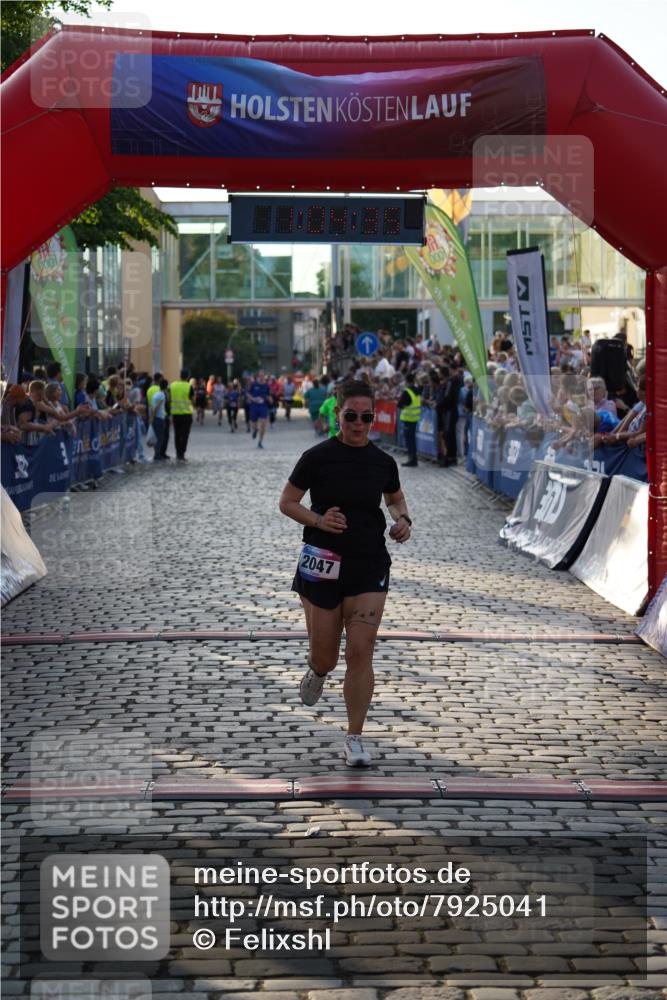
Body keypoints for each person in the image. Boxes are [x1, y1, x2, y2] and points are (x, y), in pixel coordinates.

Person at [278, 380, 412, 768]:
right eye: (351, 416)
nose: (358, 424)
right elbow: (287, 502)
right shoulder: (317, 457)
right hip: (322, 562)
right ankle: (317, 671)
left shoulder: (383, 462)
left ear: (374, 418)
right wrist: (319, 519)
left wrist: (403, 520)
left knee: (360, 651)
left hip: (369, 563)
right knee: (326, 657)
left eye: (366, 417)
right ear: (337, 414)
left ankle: (354, 737)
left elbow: (395, 498)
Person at [397, 371, 421, 467]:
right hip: (415, 418)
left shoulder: (407, 392)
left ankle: (412, 460)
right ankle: (413, 459)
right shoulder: (417, 390)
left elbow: (400, 404)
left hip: (408, 419)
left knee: (409, 441)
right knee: (412, 440)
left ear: (406, 381)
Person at [169, 368, 194, 462]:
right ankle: (182, 454)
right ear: (188, 376)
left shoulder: (172, 385)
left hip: (175, 414)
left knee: (177, 434)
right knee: (185, 435)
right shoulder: (189, 386)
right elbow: (193, 400)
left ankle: (178, 453)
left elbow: (169, 398)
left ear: (180, 376)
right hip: (186, 414)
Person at [248, 370, 271, 449]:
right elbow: (248, 393)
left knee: (263, 424)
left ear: (264, 376)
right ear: (258, 376)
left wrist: (270, 399)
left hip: (263, 406)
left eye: (262, 375)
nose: (261, 377)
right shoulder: (253, 384)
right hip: (254, 406)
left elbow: (268, 395)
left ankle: (260, 441)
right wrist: (253, 399)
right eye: (260, 375)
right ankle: (255, 430)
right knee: (253, 424)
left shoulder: (266, 386)